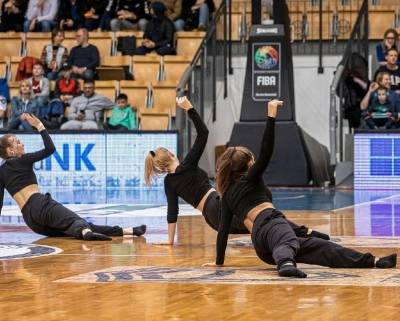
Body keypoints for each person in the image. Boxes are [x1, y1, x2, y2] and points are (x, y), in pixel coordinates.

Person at [203, 100, 397, 278]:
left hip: (266, 244)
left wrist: (218, 261)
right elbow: (266, 150)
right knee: (286, 238)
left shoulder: (227, 195)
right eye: (252, 160)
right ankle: (286, 264)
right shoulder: (250, 178)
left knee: (324, 248)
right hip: (271, 229)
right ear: (248, 165)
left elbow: (223, 231)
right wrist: (271, 116)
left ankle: (372, 261)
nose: (255, 162)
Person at [145, 96, 330, 245]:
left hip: (211, 218)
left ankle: (301, 234)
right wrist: (189, 108)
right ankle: (299, 237)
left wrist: (170, 240)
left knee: (259, 222)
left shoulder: (169, 182)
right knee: (263, 217)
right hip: (217, 205)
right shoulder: (188, 164)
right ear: (171, 154)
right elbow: (203, 133)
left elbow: (173, 212)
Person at [0, 114, 146, 240]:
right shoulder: (23, 159)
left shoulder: (1, 171)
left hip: (31, 221)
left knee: (76, 225)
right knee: (78, 222)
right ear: (11, 151)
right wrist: (39, 126)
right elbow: (50, 149)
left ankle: (127, 231)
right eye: (17, 142)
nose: (22, 143)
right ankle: (86, 233)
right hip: (40, 205)